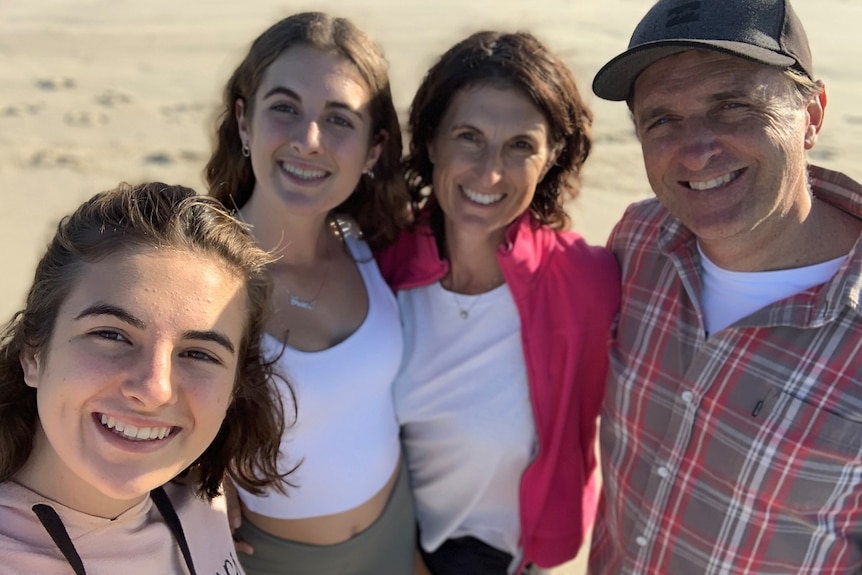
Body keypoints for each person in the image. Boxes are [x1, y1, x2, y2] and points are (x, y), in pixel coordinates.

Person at [588, 0, 862, 572]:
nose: (696, 148)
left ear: (811, 116)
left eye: (733, 105)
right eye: (662, 119)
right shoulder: (639, 241)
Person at [376, 31, 620, 575]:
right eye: (469, 136)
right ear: (432, 141)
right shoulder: (378, 268)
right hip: (383, 548)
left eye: (520, 146)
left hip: (512, 560)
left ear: (552, 157)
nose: (489, 173)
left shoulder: (590, 281)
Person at [205, 11, 416, 575]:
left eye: (340, 119)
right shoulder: (197, 272)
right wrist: (195, 479)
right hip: (273, 559)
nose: (308, 140)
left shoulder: (374, 246)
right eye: (284, 108)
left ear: (373, 149)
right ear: (245, 122)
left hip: (398, 532)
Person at [0, 182, 287, 574]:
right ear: (33, 352)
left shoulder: (200, 494)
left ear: (235, 386)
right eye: (112, 334)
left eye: (199, 354)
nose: (154, 390)